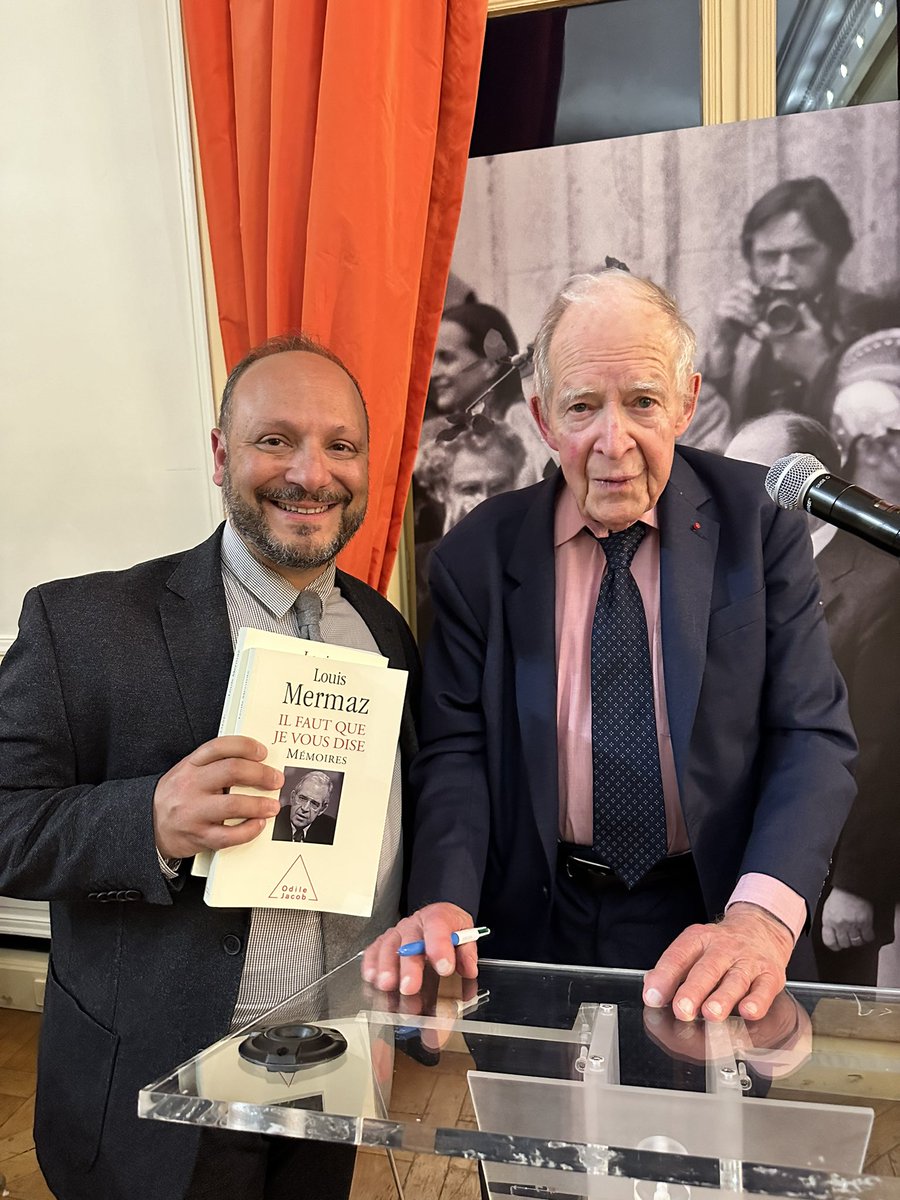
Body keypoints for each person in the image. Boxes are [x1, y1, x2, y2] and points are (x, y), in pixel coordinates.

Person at [364, 269, 856, 1025]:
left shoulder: (759, 528)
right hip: (535, 923)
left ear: (687, 402)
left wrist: (759, 918)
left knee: (721, 1145)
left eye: (643, 402)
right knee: (537, 1142)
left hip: (717, 913)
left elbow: (810, 736)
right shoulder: (474, 559)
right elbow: (457, 754)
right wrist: (443, 904)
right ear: (542, 418)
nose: (612, 441)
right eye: (583, 407)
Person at [0, 334, 420, 1200]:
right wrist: (147, 818)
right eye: (276, 440)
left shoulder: (385, 635)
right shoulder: (81, 625)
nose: (312, 472)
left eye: (341, 445)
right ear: (221, 454)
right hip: (157, 1083)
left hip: (324, 1073)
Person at [726, 409, 900, 986]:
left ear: (806, 479)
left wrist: (856, 883)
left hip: (831, 885)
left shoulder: (882, 580)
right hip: (739, 869)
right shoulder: (736, 570)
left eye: (753, 474)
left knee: (826, 1053)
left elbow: (879, 747)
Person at [703, 176, 888, 427]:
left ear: (835, 253)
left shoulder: (872, 321)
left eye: (802, 254)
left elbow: (880, 433)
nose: (783, 271)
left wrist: (819, 369)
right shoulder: (741, 329)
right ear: (751, 260)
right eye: (769, 256)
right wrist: (720, 357)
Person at [271, 769, 338, 844]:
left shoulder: (332, 830)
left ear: (322, 809)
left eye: (314, 803)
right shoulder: (273, 820)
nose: (305, 808)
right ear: (293, 797)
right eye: (302, 798)